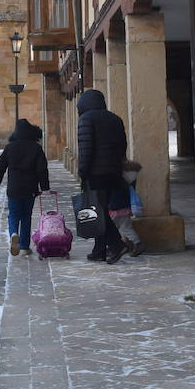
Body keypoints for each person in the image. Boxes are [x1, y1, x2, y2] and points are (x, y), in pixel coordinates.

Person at [75, 88, 128, 263]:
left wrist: (83, 172)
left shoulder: (86, 119)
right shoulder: (115, 119)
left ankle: (117, 245)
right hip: (114, 172)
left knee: (98, 212)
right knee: (102, 209)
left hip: (95, 173)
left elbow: (85, 150)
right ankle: (99, 250)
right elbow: (123, 146)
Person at [0, 118, 50, 257]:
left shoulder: (10, 147)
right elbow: (42, 169)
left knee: (13, 214)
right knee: (26, 216)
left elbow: (0, 165)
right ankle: (24, 247)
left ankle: (13, 233)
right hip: (30, 188)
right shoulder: (36, 148)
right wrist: (44, 186)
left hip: (14, 188)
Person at [109, 159, 144, 256]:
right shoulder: (129, 181)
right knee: (126, 227)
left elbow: (113, 196)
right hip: (126, 208)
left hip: (116, 208)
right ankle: (136, 243)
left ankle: (118, 246)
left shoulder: (117, 180)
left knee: (112, 228)